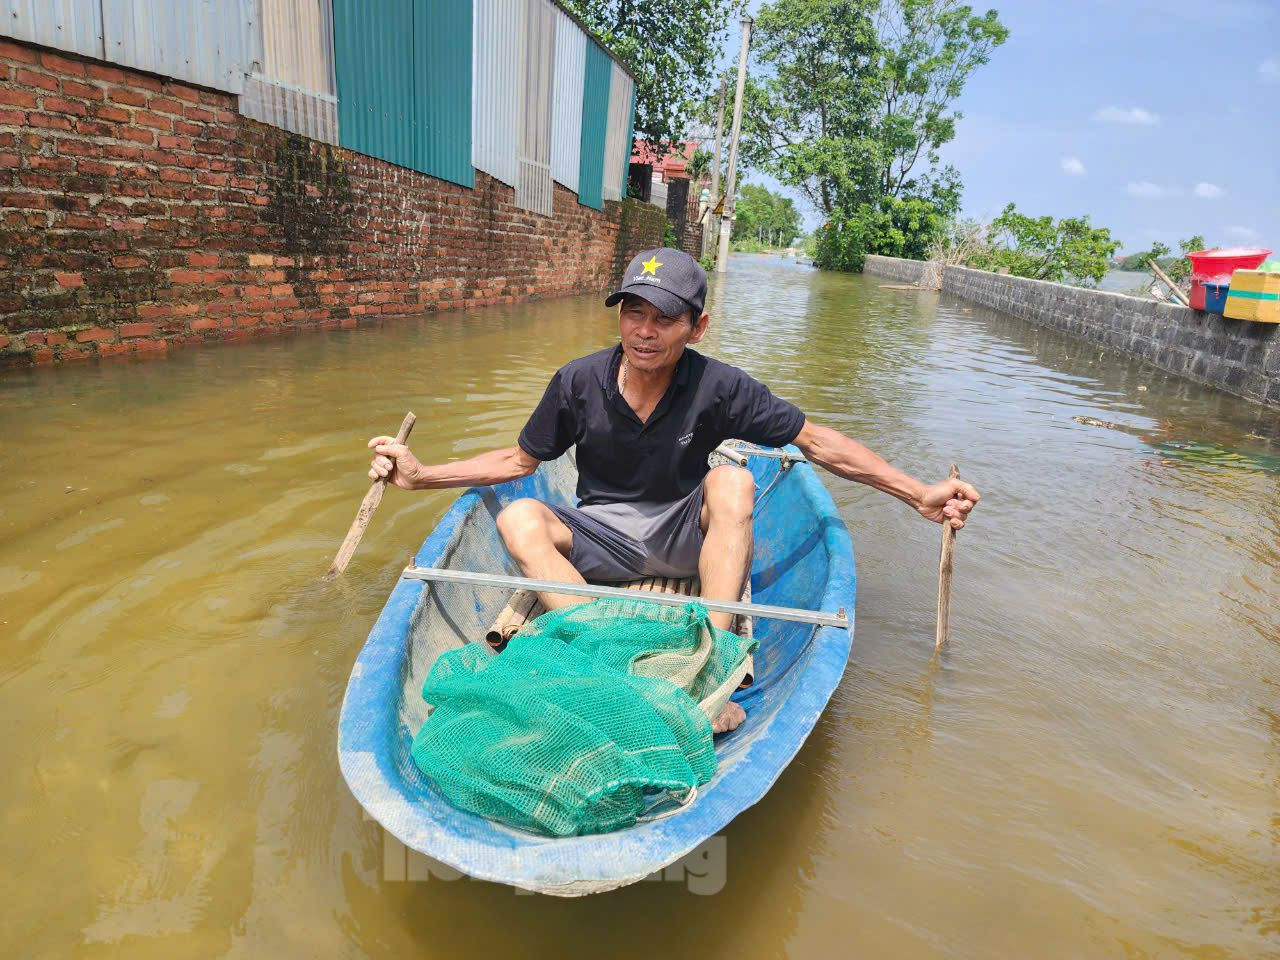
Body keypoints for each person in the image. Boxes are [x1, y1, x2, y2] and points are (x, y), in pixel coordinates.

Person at [367, 248, 980, 733]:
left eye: (665, 318)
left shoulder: (719, 387)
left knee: (734, 480)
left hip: (685, 536)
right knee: (519, 518)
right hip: (601, 535)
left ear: (698, 326)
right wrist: (421, 477)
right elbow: (518, 459)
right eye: (633, 311)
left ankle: (711, 663)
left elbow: (815, 441)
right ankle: (615, 654)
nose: (645, 331)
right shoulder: (577, 382)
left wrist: (914, 493)